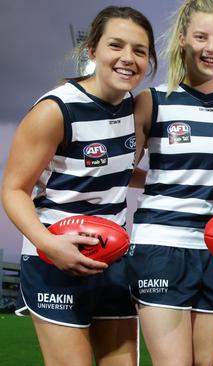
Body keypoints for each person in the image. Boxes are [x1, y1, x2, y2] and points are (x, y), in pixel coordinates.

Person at [1, 6, 156, 366]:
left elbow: (110, 171)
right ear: (92, 50)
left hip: (113, 255)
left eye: (139, 50)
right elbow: (13, 189)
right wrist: (48, 244)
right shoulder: (55, 111)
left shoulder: (135, 109)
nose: (127, 58)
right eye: (116, 45)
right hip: (55, 254)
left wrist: (162, 182)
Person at [125, 1, 213, 365]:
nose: (211, 48)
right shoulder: (154, 100)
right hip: (161, 245)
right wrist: (158, 179)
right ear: (182, 40)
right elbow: (119, 168)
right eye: (201, 37)